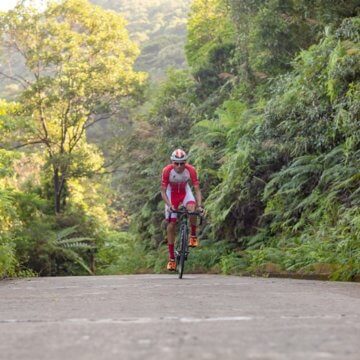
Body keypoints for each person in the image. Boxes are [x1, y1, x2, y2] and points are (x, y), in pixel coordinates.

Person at [161, 148, 204, 271]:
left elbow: (196, 189)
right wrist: (169, 205)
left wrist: (199, 206)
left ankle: (193, 235)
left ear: (186, 162)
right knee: (171, 224)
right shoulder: (167, 171)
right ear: (172, 162)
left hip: (185, 191)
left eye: (182, 163)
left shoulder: (191, 170)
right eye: (176, 163)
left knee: (192, 208)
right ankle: (171, 259)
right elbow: (163, 192)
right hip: (171, 194)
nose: (179, 166)